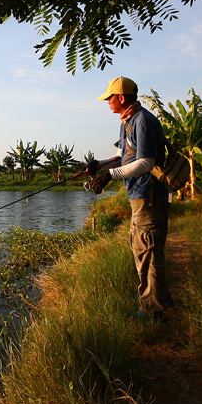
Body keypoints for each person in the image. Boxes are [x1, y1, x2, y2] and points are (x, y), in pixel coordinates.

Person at [86, 76, 173, 321]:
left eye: (109, 98)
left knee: (148, 250)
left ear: (121, 98)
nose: (108, 103)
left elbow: (146, 162)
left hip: (149, 195)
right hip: (138, 194)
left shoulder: (143, 121)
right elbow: (121, 156)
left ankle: (152, 309)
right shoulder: (127, 121)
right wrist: (99, 165)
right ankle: (161, 298)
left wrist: (111, 175)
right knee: (142, 247)